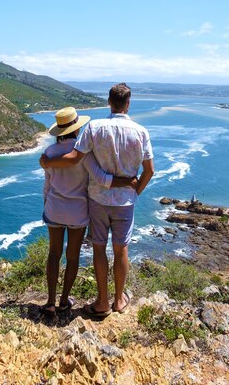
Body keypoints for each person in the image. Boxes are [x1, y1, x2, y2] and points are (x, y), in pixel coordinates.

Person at [40, 83, 154, 318]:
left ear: (109, 102)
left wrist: (46, 164)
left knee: (85, 250)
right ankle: (111, 301)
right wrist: (132, 189)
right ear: (128, 103)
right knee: (117, 250)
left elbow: (62, 169)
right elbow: (147, 171)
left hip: (83, 203)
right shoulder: (140, 132)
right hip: (110, 205)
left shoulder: (86, 133)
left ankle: (84, 301)